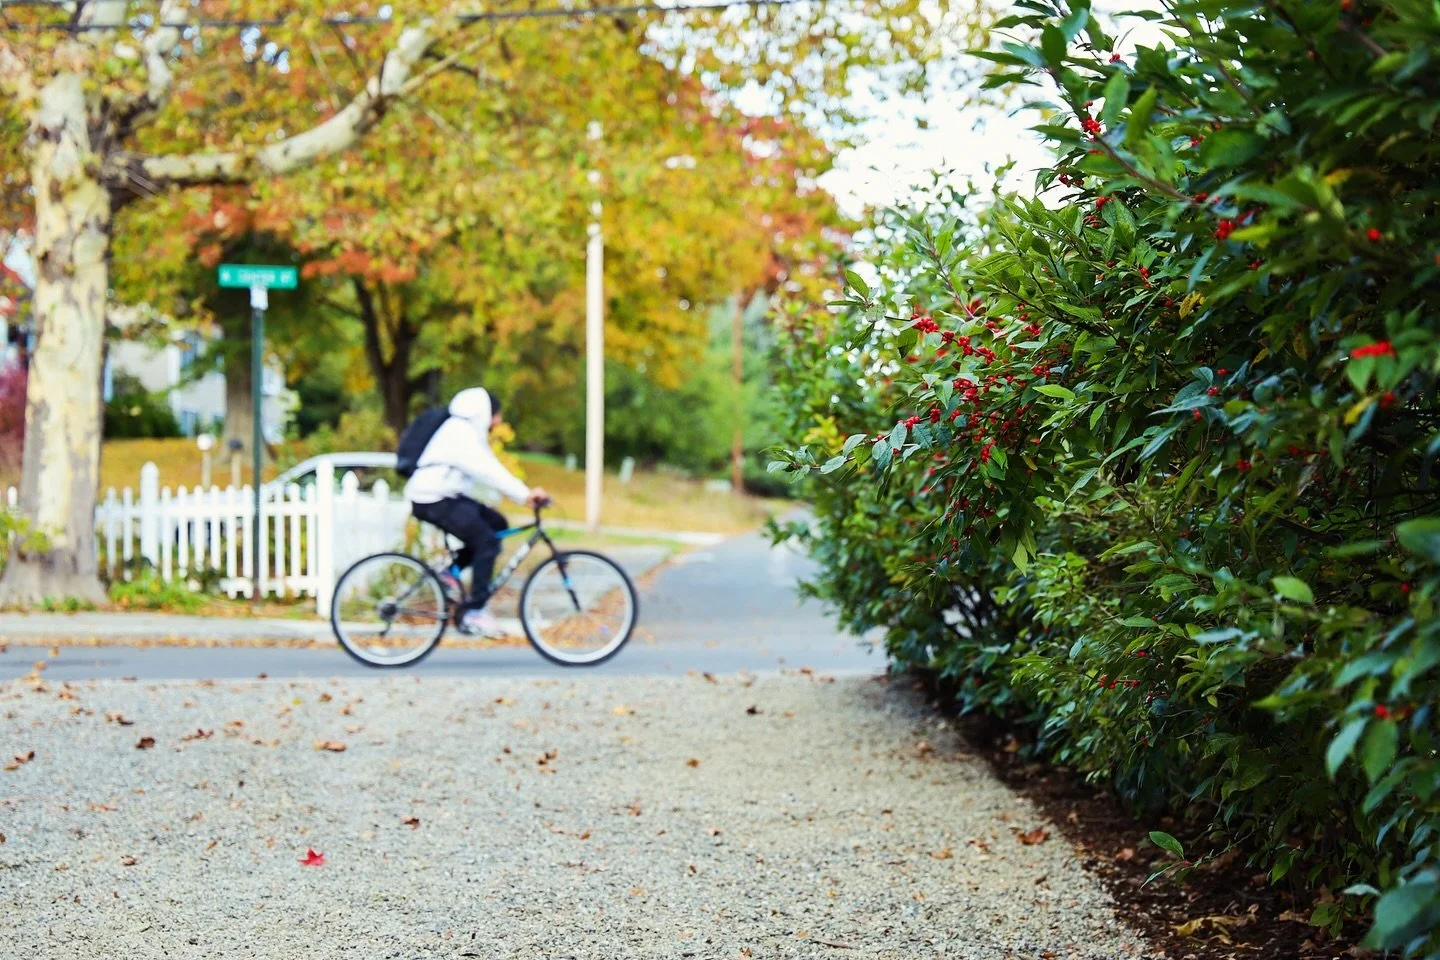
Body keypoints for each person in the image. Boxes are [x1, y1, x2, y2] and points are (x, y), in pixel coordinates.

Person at [404, 387, 548, 635]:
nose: (498, 422)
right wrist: (525, 495)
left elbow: (486, 472)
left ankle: (448, 573)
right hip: (432, 498)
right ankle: (475, 611)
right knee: (487, 541)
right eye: (497, 415)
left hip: (444, 495)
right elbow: (488, 471)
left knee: (497, 524)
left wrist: (516, 497)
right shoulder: (460, 433)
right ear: (485, 412)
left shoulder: (466, 432)